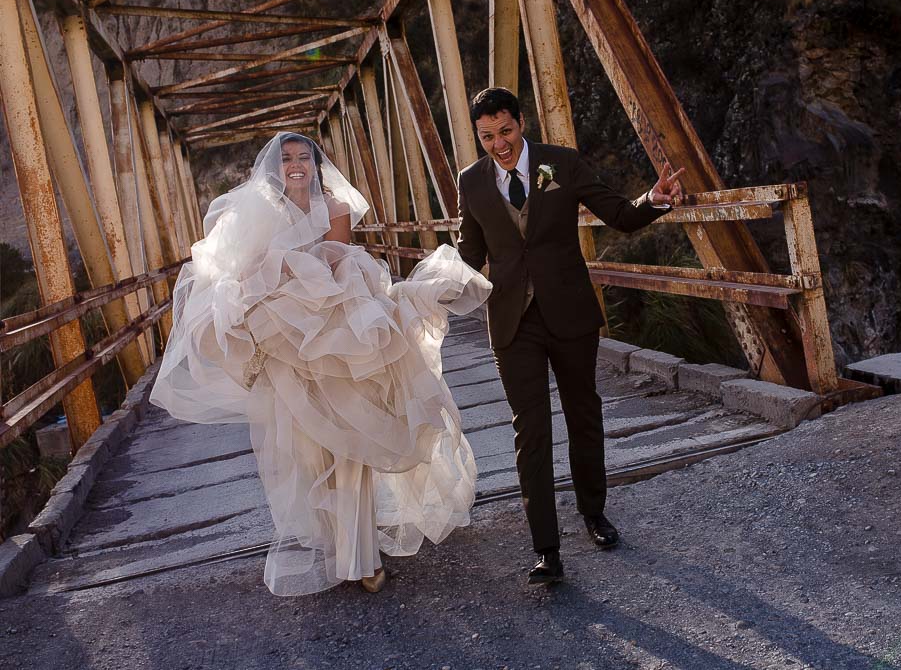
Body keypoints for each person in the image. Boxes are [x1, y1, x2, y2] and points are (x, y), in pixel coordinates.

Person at [151, 132, 491, 596]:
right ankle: (339, 548)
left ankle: (362, 558)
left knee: (351, 448)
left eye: (303, 157)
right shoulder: (260, 215)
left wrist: (296, 271)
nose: (296, 164)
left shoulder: (334, 209)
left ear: (315, 164)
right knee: (312, 456)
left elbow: (341, 267)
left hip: (341, 344)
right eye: (287, 158)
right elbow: (242, 277)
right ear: (276, 166)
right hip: (289, 352)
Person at [456, 87, 684, 584]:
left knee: (584, 413)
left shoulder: (560, 162)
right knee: (530, 431)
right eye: (487, 136)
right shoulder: (471, 182)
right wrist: (426, 287)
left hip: (570, 312)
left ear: (522, 122)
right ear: (479, 136)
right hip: (513, 322)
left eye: (507, 131)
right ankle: (546, 550)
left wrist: (655, 199)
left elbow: (619, 215)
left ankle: (594, 514)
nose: (499, 144)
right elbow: (468, 254)